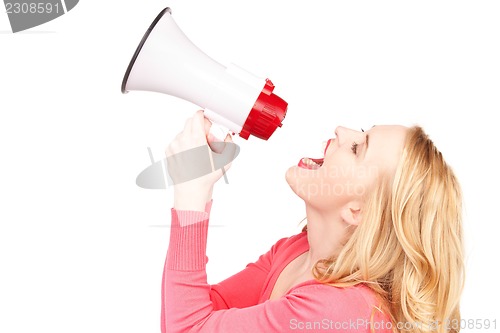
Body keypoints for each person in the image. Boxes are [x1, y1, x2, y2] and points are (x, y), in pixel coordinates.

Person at [161, 110, 465, 333]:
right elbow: (193, 314)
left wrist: (191, 193)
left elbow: (185, 326)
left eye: (358, 148)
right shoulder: (294, 252)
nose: (341, 130)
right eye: (360, 131)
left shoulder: (337, 312)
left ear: (359, 210)